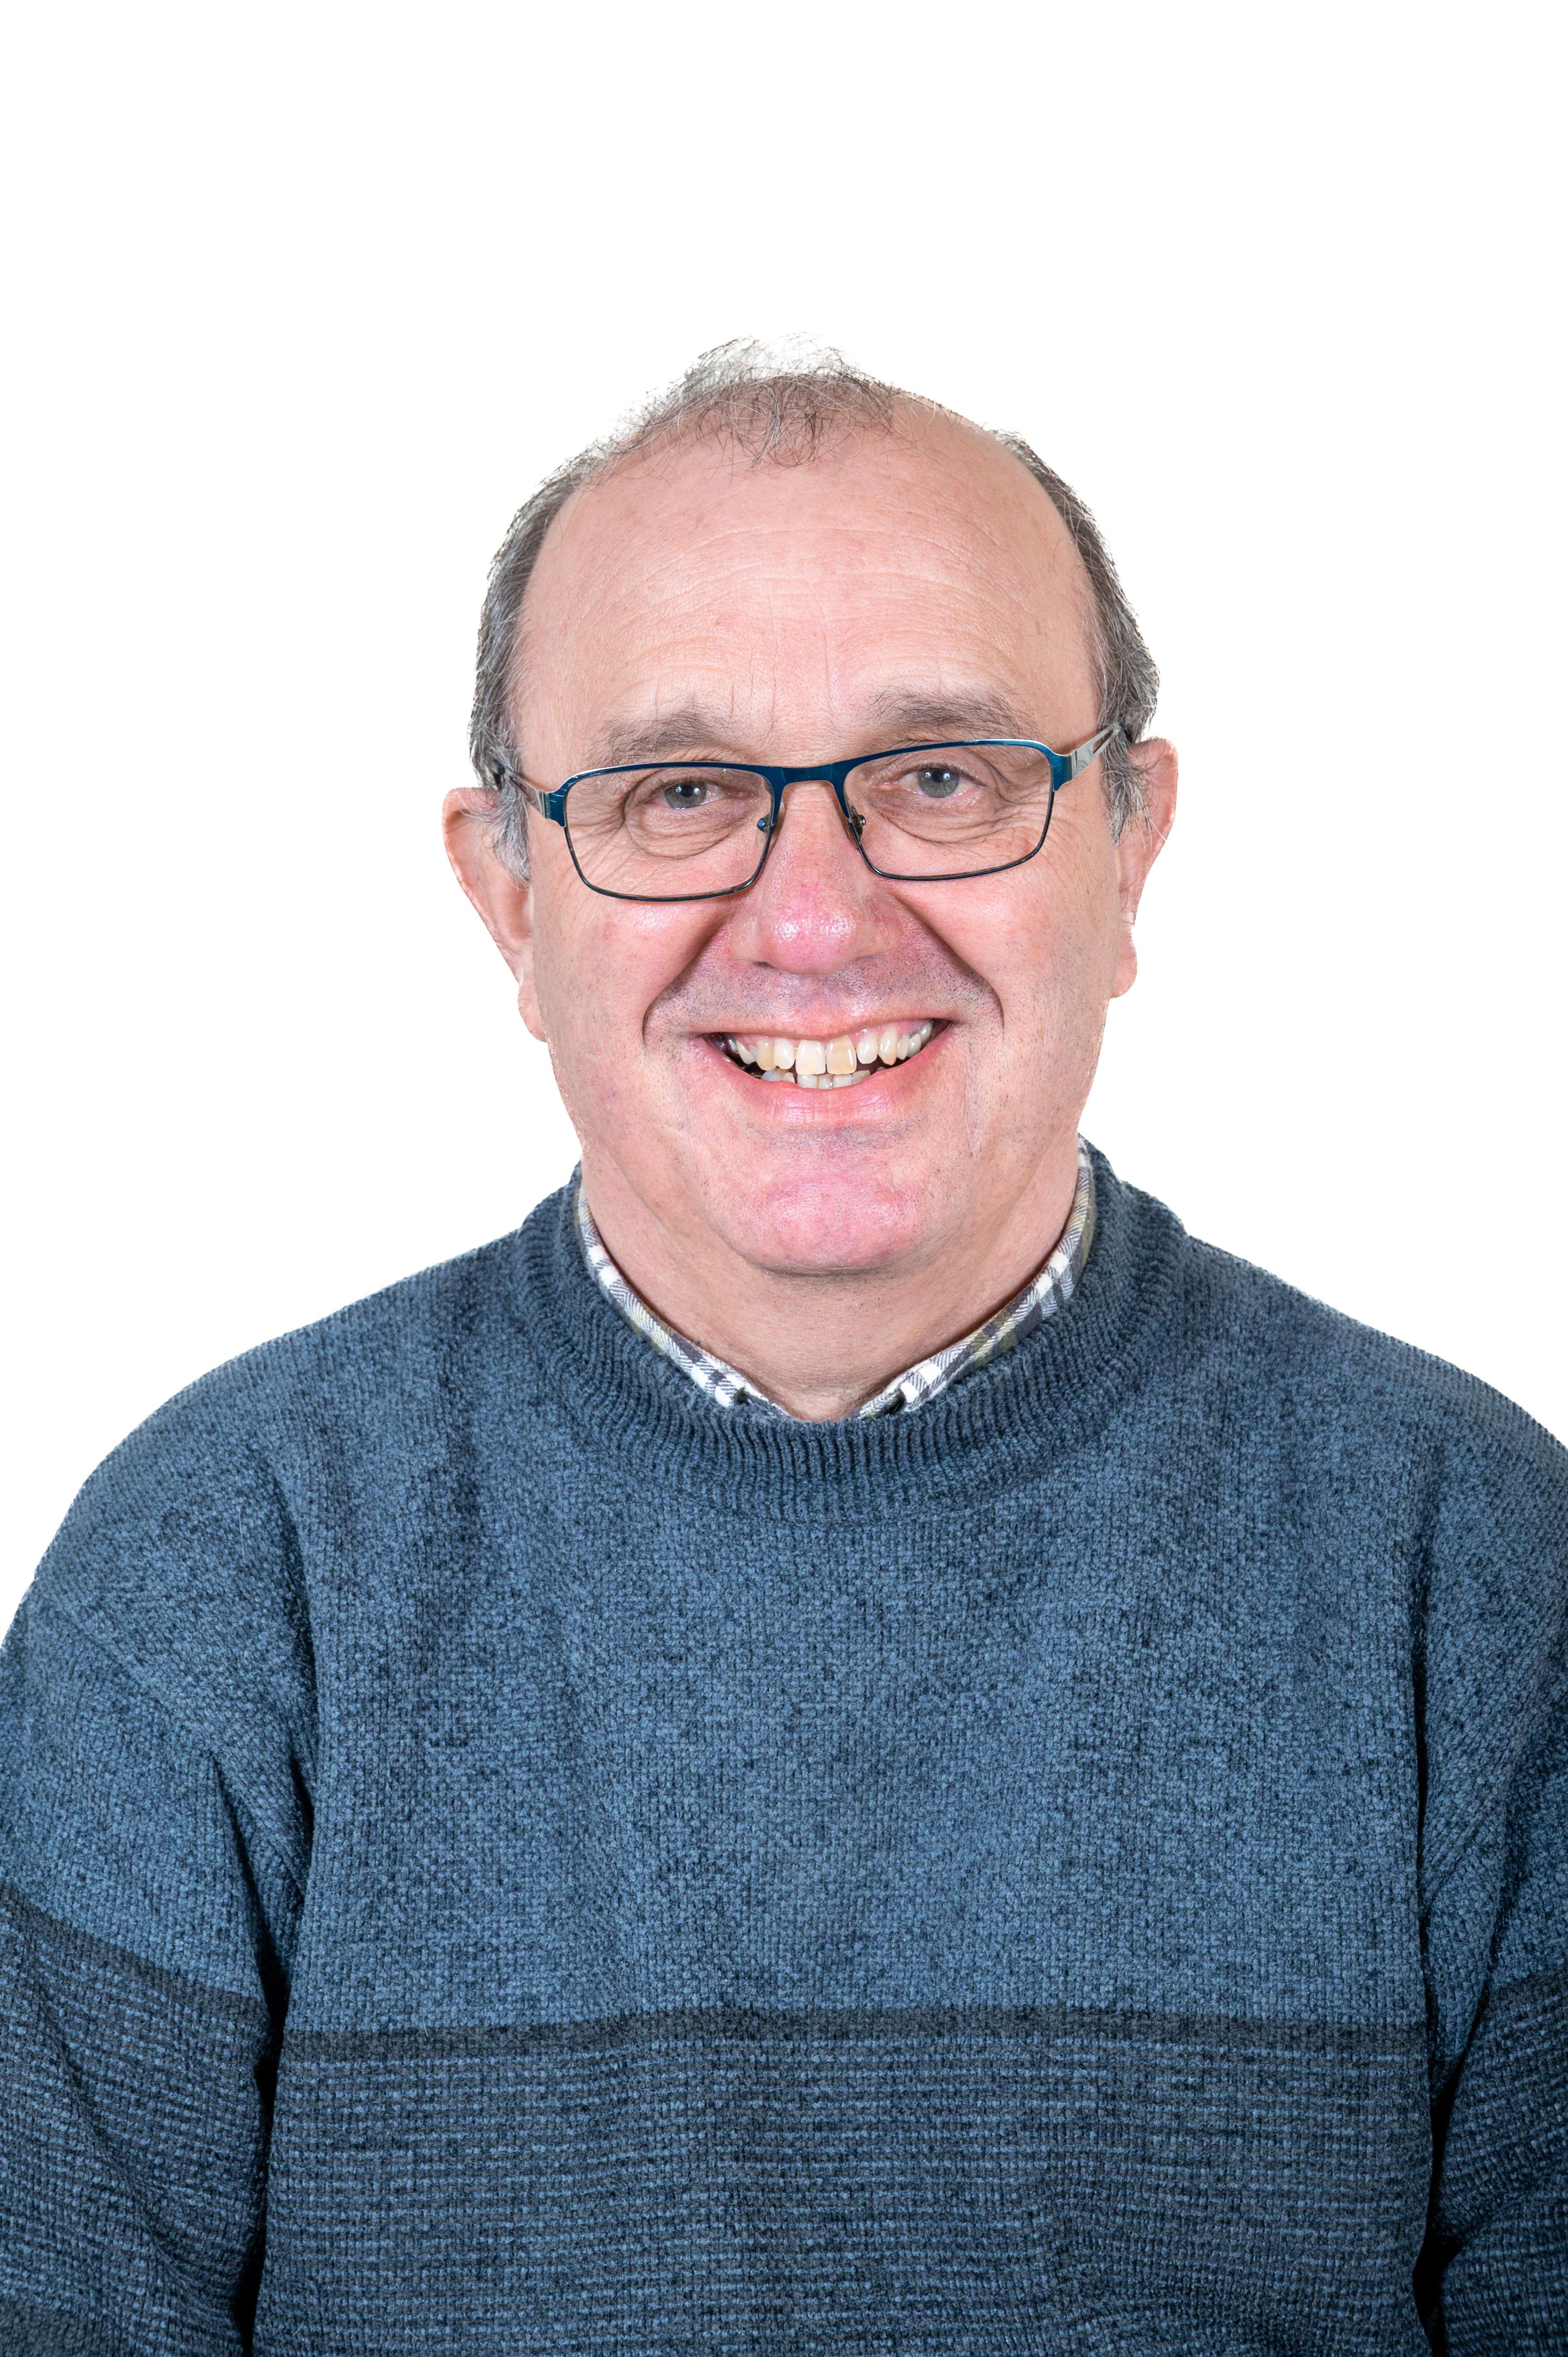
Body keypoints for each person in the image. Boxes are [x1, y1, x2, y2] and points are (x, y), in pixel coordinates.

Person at [1, 342, 1563, 2355]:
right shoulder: (214, 1582)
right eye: (678, 795)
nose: (812, 921)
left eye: (942, 777)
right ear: (507, 898)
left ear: (1127, 847)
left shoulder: (1477, 1577)